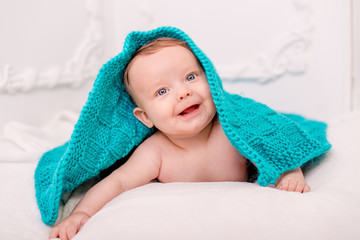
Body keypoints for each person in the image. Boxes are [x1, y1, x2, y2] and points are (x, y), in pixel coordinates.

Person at [49, 37, 310, 240]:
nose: (183, 93)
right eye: (162, 91)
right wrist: (81, 213)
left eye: (191, 77)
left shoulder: (231, 130)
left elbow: (275, 145)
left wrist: (290, 172)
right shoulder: (157, 152)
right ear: (145, 117)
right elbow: (117, 182)